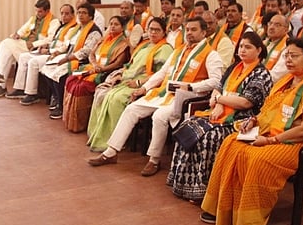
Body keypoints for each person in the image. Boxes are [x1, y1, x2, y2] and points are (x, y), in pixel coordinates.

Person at [200, 38, 303, 225]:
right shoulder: (286, 82)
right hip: (279, 137)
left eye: (294, 56)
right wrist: (254, 121)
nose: (288, 59)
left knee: (259, 159)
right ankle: (224, 209)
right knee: (232, 144)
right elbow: (270, 112)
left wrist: (272, 141)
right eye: (286, 55)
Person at [87, 17, 224, 176]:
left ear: (204, 32)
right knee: (131, 109)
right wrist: (144, 88)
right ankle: (110, 152)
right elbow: (161, 74)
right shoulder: (179, 50)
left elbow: (216, 81)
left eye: (194, 30)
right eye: (188, 29)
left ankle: (154, 160)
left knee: (159, 116)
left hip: (186, 97)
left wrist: (191, 86)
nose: (190, 33)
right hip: (163, 93)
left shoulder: (211, 54)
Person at [165, 32, 273, 201]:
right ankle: (183, 183)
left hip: (242, 119)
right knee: (189, 124)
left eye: (248, 47)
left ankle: (205, 189)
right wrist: (219, 103)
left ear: (259, 50)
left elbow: (246, 102)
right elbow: (218, 87)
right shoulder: (234, 67)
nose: (242, 50)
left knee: (209, 136)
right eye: (241, 47)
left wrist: (219, 99)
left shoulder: (262, 74)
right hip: (220, 111)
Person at [87, 17, 173, 152]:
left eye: (157, 30)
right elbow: (131, 65)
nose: (153, 33)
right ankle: (97, 135)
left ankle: (114, 141)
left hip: (146, 83)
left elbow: (160, 75)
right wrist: (120, 75)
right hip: (128, 78)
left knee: (116, 98)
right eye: (151, 29)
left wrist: (139, 82)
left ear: (164, 32)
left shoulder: (166, 49)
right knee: (102, 92)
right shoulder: (145, 45)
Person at [62, 16, 131, 132]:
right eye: (111, 24)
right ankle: (71, 121)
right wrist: (94, 65)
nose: (112, 27)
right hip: (93, 67)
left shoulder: (123, 44)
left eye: (116, 24)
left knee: (81, 87)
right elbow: (91, 54)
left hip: (105, 71)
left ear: (122, 27)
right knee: (71, 80)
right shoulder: (104, 38)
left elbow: (118, 64)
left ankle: (81, 124)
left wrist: (102, 69)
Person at [6, 3, 78, 105]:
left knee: (33, 62)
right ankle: (20, 88)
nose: (63, 16)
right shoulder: (62, 26)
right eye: (62, 13)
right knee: (23, 57)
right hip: (50, 50)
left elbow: (65, 47)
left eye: (67, 14)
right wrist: (46, 46)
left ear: (72, 15)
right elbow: (53, 40)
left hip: (57, 55)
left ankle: (32, 94)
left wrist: (49, 51)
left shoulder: (73, 28)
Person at [41, 3, 102, 120]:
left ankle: (61, 106)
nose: (80, 15)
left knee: (58, 72)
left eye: (84, 13)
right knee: (46, 69)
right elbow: (67, 44)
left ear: (90, 16)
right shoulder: (77, 29)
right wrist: (56, 53)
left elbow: (86, 51)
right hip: (68, 56)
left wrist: (67, 58)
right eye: (79, 13)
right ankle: (58, 98)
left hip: (81, 61)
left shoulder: (94, 31)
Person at [0, 0, 58, 97]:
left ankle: (1, 83)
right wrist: (17, 35)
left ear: (47, 11)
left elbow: (50, 39)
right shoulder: (33, 19)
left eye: (40, 11)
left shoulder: (54, 21)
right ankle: (1, 82)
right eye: (36, 11)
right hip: (25, 44)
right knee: (6, 46)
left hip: (36, 47)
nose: (37, 13)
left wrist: (34, 44)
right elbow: (22, 30)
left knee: (6, 44)